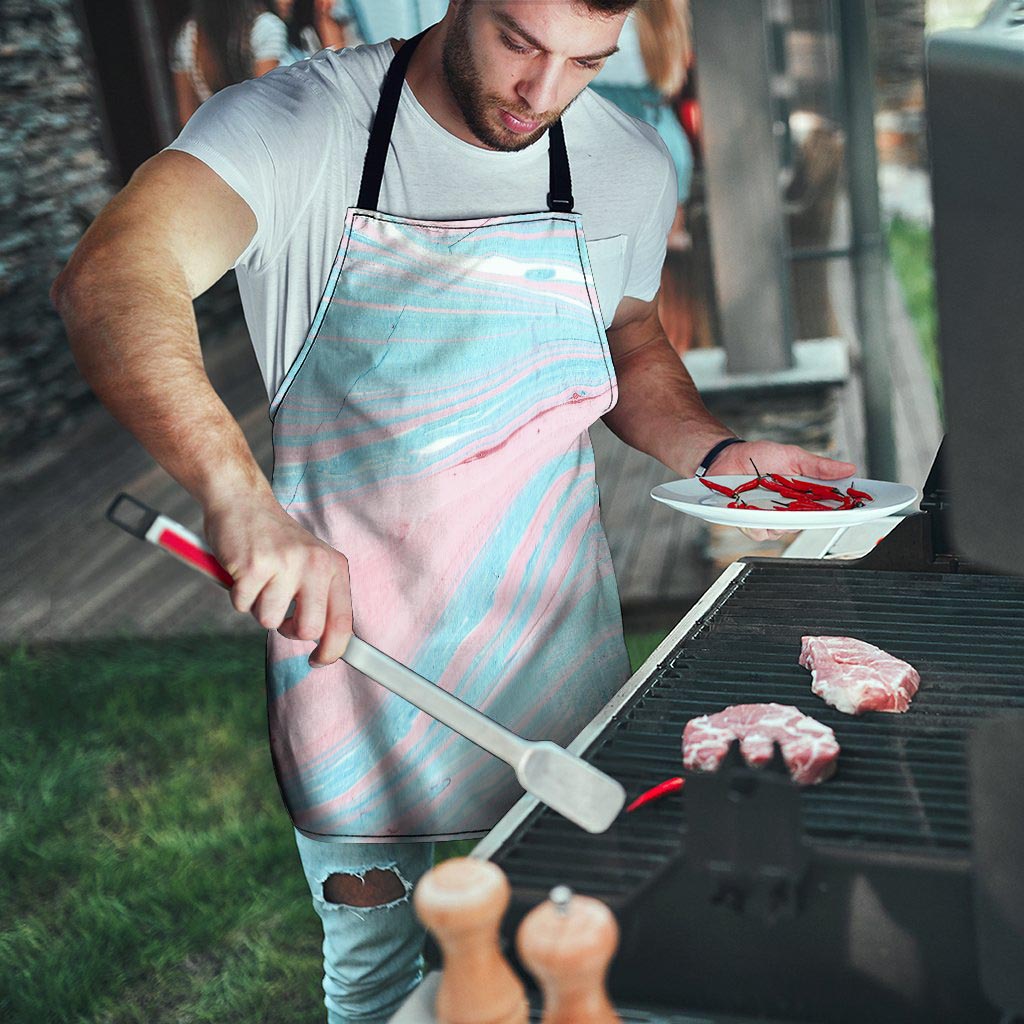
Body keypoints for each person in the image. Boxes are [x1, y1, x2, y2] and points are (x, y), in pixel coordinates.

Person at [52, 1, 856, 1019]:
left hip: (554, 642)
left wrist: (718, 449)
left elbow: (629, 333)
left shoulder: (624, 160)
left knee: (581, 952)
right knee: (380, 980)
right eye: (520, 42)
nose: (543, 92)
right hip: (354, 661)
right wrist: (237, 495)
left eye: (585, 61)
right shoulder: (300, 126)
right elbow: (112, 276)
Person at [170, 0, 289, 127]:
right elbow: (266, 104)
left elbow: (187, 117)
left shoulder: (187, 36)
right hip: (264, 136)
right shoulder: (265, 27)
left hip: (215, 138)